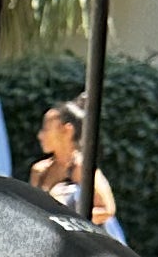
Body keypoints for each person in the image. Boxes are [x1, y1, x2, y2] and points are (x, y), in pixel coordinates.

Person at [33, 93, 118, 226]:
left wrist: (67, 219)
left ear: (67, 131)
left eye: (46, 129)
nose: (40, 135)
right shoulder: (40, 170)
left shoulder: (82, 168)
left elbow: (107, 210)